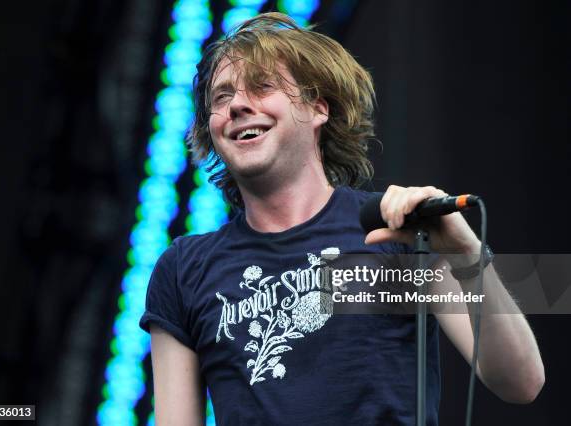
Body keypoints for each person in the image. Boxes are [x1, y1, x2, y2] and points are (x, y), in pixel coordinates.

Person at [139, 12, 544, 425]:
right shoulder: (183, 269)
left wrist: (465, 254)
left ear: (318, 108)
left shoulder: (397, 231)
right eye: (221, 98)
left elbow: (520, 381)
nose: (238, 105)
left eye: (262, 87)